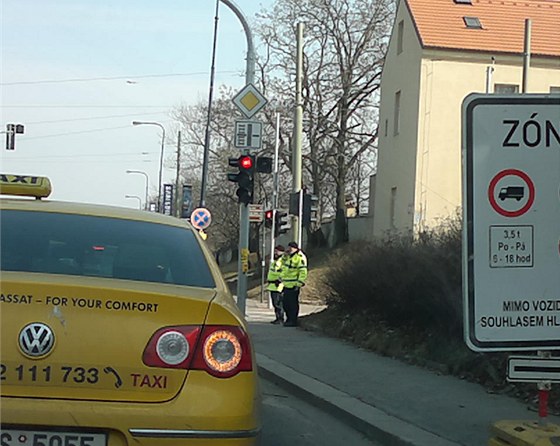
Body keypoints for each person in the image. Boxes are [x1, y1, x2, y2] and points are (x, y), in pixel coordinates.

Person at [281, 241, 308, 327]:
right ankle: (288, 319)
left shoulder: (300, 257)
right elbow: (284, 266)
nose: (289, 249)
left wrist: (299, 283)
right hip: (286, 284)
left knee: (292, 304)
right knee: (285, 303)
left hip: (294, 285)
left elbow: (302, 271)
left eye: (290, 248)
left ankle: (293, 320)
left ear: (295, 248)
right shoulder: (288, 257)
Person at [266, 245, 285, 324]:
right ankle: (278, 318)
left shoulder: (283, 261)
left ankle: (280, 318)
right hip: (272, 285)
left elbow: (284, 272)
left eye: (277, 251)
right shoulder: (275, 261)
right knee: (275, 303)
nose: (275, 253)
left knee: (278, 303)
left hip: (278, 285)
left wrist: (280, 280)